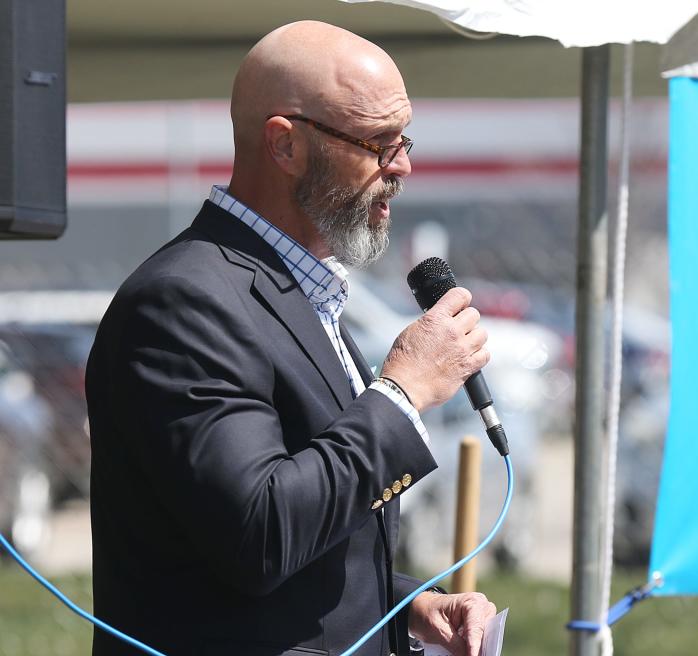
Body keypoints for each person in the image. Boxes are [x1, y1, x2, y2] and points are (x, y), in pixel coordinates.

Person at [85, 20, 496, 656]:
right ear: (285, 146)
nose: (403, 166)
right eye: (377, 143)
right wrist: (402, 393)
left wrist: (409, 604)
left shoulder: (296, 288)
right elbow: (260, 535)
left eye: (404, 139)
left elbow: (313, 534)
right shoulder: (182, 302)